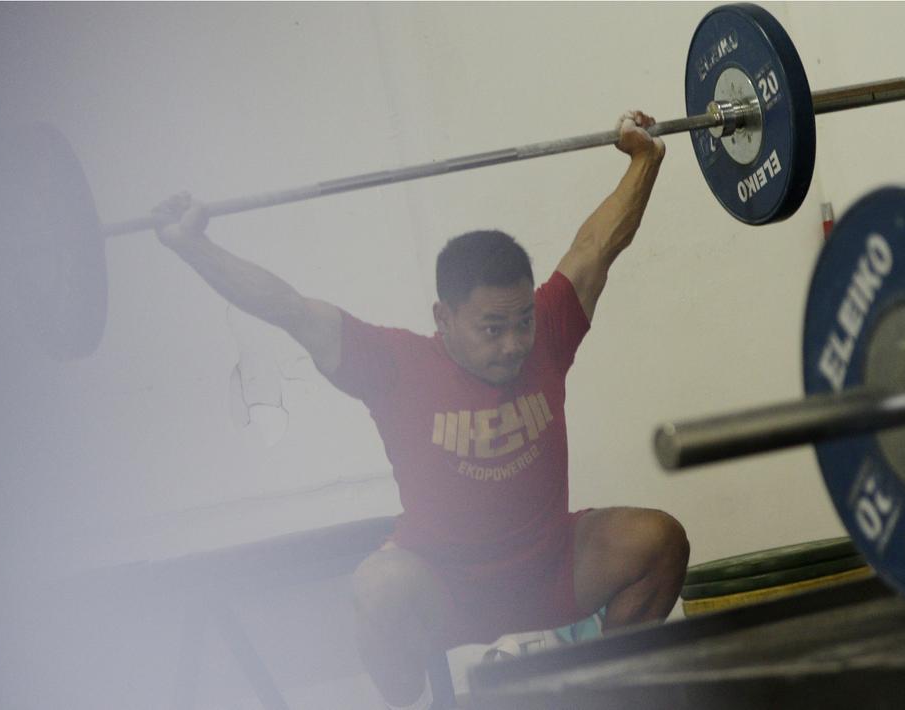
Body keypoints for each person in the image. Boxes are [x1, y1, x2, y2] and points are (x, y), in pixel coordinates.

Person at [154, 110, 689, 710]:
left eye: (521, 322)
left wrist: (646, 159)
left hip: (550, 564)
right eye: (492, 328)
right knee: (378, 586)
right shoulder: (393, 365)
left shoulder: (549, 332)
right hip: (447, 589)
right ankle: (411, 704)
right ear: (444, 319)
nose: (513, 343)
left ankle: (604, 694)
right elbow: (287, 307)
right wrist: (191, 247)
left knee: (659, 540)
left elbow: (597, 245)